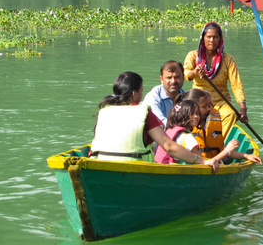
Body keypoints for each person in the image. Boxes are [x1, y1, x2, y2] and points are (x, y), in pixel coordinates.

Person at [90, 71, 221, 172]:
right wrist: (202, 161)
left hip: (99, 165)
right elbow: (169, 146)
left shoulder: (104, 110)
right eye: (141, 91)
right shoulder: (144, 113)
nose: (142, 94)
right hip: (134, 170)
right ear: (134, 94)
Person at [184, 22, 247, 136]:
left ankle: (218, 144)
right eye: (208, 37)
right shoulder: (193, 56)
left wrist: (243, 108)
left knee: (231, 114)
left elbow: (236, 84)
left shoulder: (228, 59)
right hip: (198, 101)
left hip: (221, 101)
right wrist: (195, 72)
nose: (212, 40)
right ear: (203, 38)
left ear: (220, 39)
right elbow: (186, 75)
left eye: (215, 37)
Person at [155, 100, 262, 166]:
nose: (196, 116)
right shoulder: (187, 138)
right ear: (183, 116)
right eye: (192, 114)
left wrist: (246, 155)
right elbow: (204, 163)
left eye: (197, 113)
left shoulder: (169, 131)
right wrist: (227, 150)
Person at [181, 88, 225, 158]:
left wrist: (245, 155)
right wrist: (228, 150)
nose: (209, 109)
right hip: (199, 162)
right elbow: (200, 160)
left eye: (209, 105)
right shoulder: (184, 132)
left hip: (211, 160)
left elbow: (221, 149)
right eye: (205, 106)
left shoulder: (211, 119)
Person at [143, 60, 185, 126]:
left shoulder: (187, 97)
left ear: (183, 77)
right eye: (169, 78)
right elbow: (160, 123)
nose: (173, 81)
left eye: (177, 77)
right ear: (161, 79)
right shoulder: (153, 97)